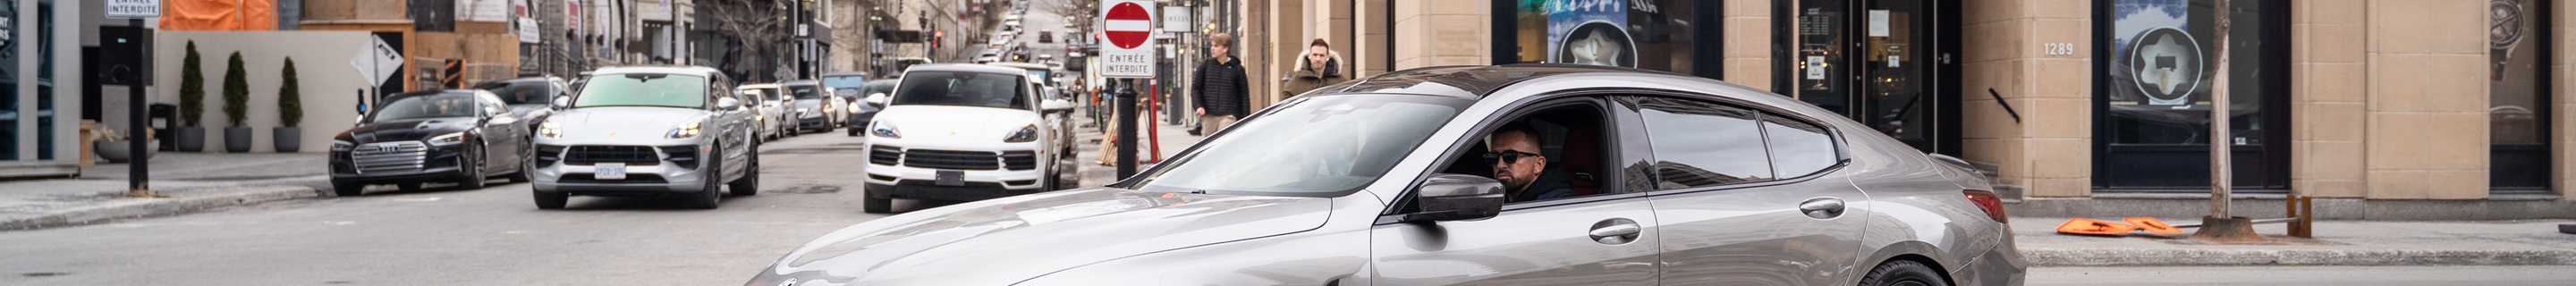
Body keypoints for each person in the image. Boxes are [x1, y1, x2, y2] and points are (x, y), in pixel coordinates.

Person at [1487, 122, 1574, 202]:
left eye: (1510, 157)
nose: (1500, 165)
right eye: (1494, 157)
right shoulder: (1492, 200)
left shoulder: (1557, 203)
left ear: (1538, 165)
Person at [1191, 33, 1250, 136]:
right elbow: (1195, 88)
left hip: (1228, 115)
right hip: (1209, 115)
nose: (1212, 49)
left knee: (1224, 140)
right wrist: (1198, 106)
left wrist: (1245, 119)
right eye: (1212, 45)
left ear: (1225, 49)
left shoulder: (1237, 69)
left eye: (1216, 46)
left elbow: (1244, 96)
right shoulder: (1205, 66)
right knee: (1209, 146)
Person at [1281, 38, 1347, 100]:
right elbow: (1284, 107)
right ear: (1309, 56)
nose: (1318, 59)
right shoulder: (1295, 83)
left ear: (1328, 57)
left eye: (1321, 55)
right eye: (1315, 55)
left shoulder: (1340, 83)